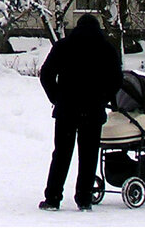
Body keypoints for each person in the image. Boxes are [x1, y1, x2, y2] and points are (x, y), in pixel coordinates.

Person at [38, 13, 122, 211]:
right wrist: (103, 98)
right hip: (93, 110)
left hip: (67, 109)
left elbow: (46, 74)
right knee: (89, 155)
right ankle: (84, 198)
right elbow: (117, 79)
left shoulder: (64, 46)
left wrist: (56, 97)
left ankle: (53, 197)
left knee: (61, 154)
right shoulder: (106, 49)